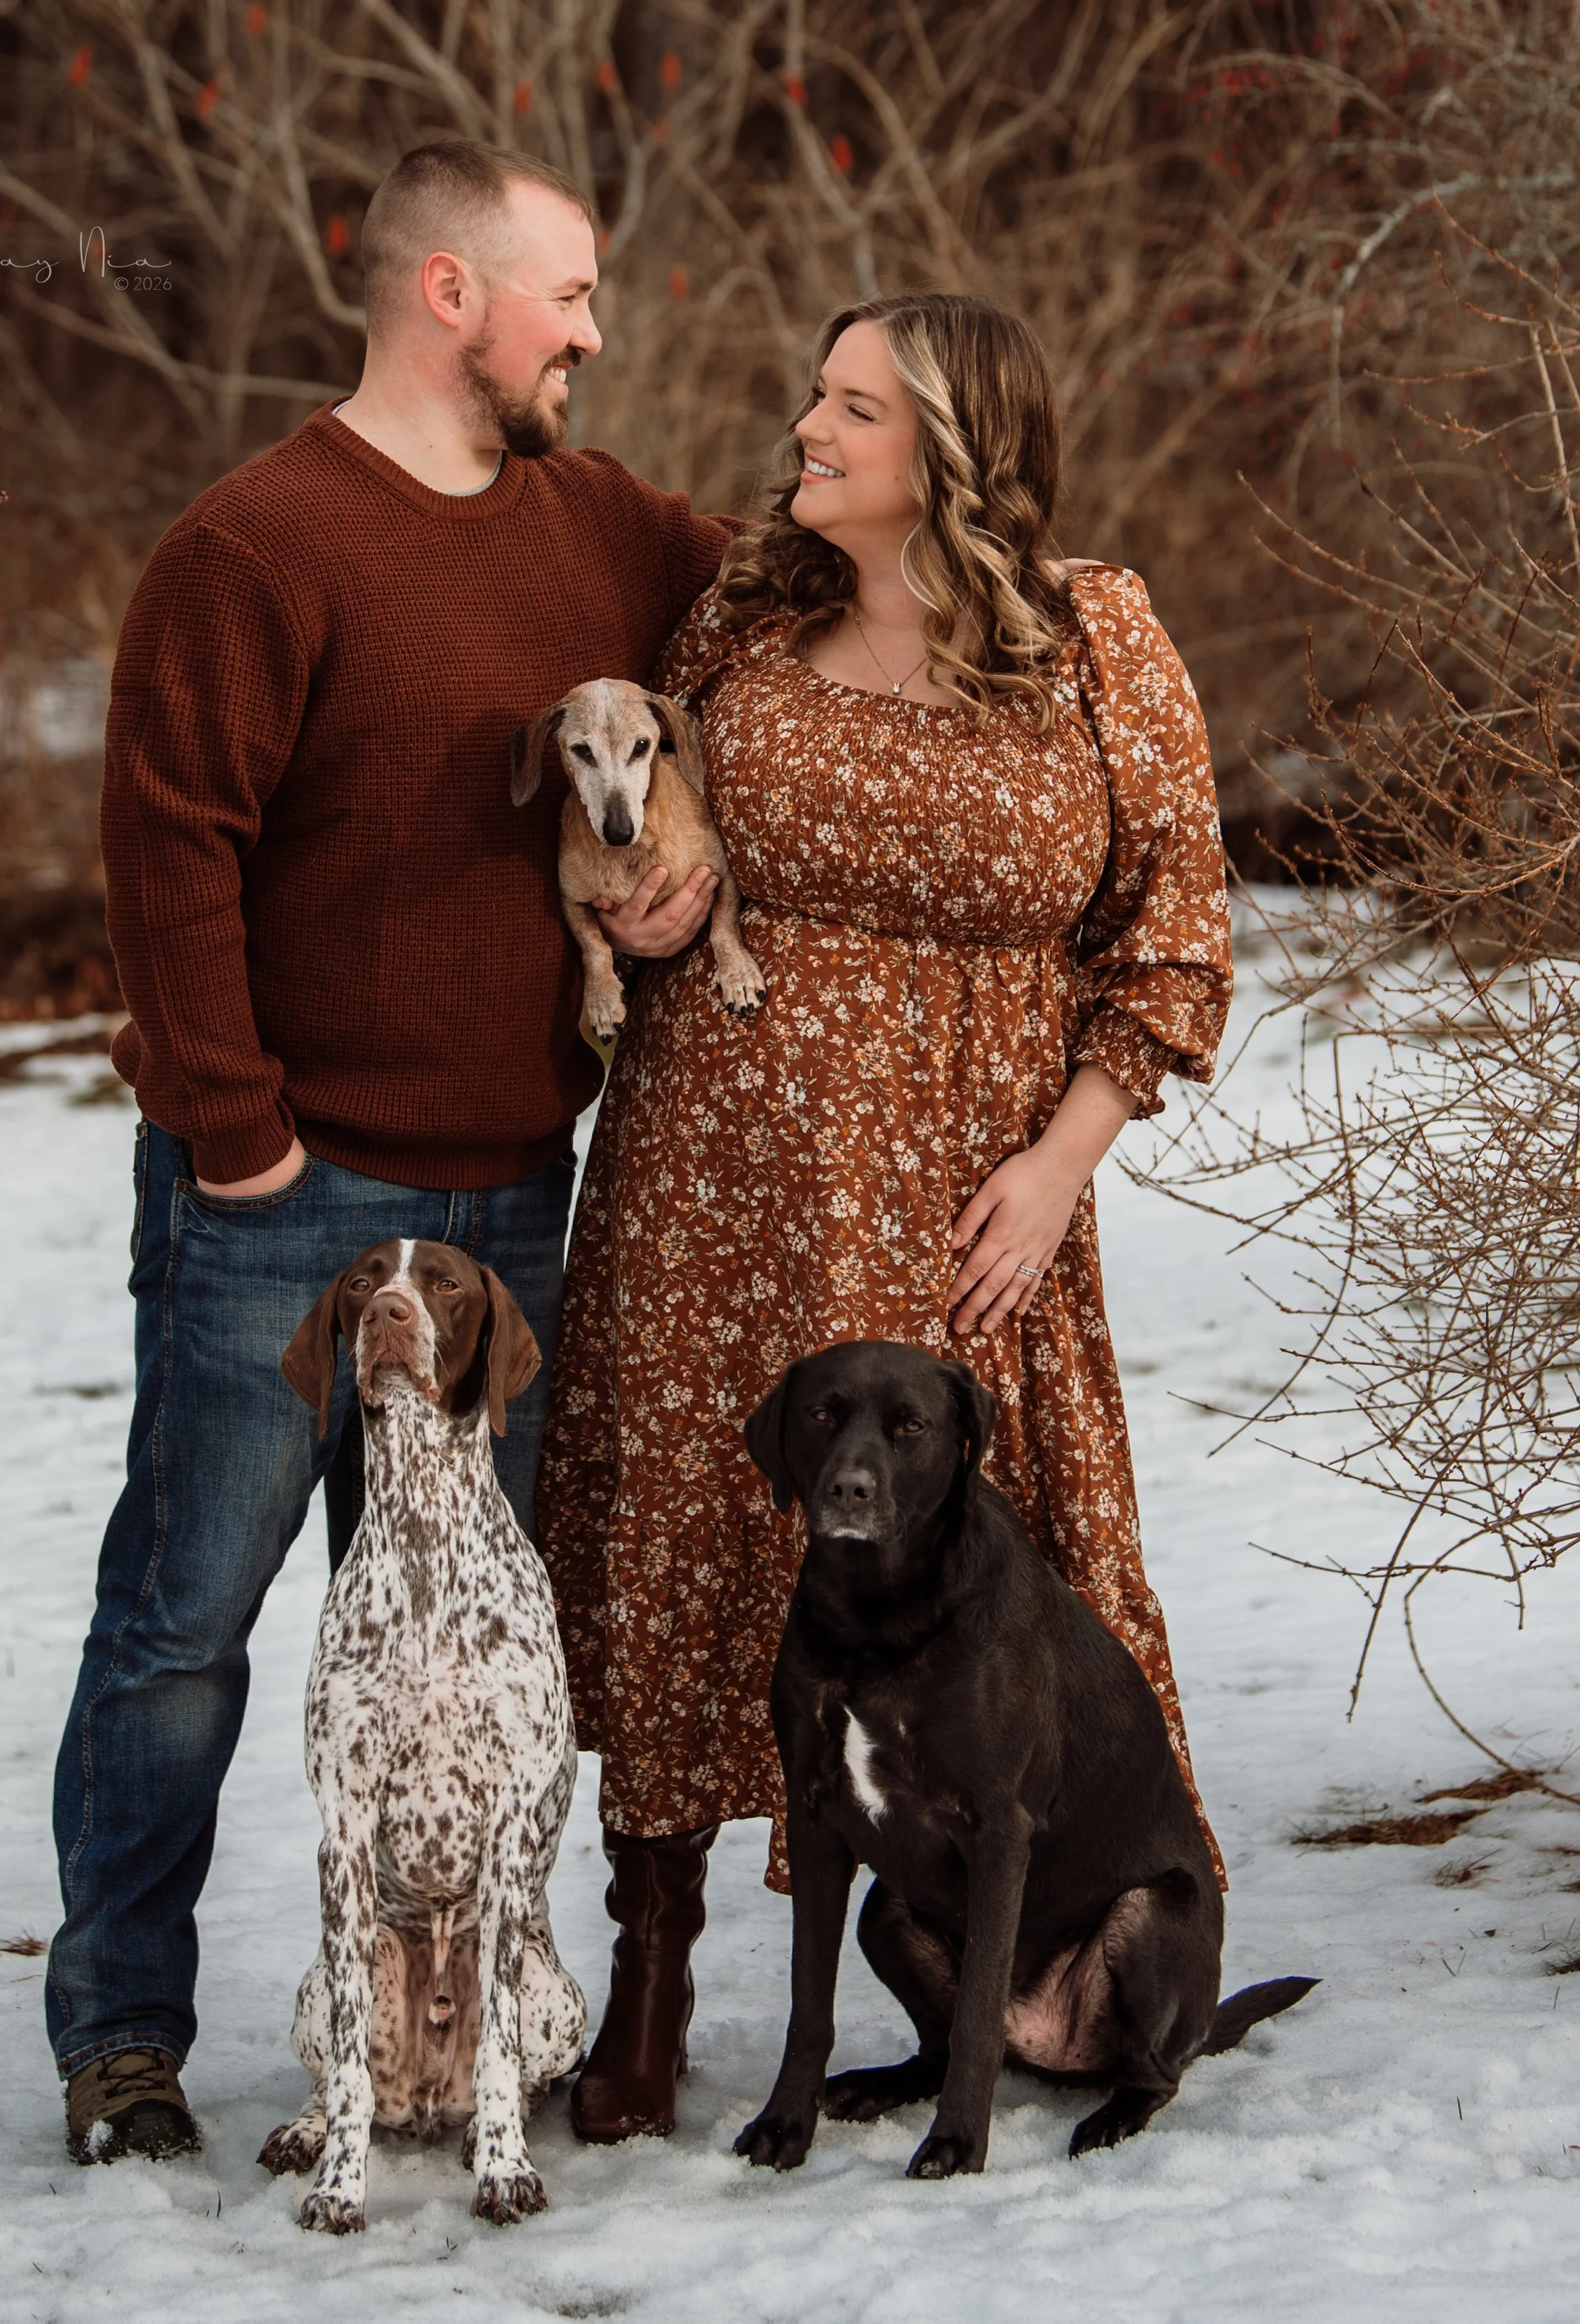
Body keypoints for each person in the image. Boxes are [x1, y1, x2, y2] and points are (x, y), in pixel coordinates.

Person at [48, 138, 728, 2165]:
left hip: (508, 1196)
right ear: (451, 292)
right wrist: (231, 1127)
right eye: (572, 298)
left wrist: (695, 872)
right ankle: (122, 2043)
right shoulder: (255, 545)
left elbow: (788, 613)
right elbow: (167, 841)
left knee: (447, 1663)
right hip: (288, 1203)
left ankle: (433, 2047)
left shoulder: (595, 528)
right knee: (184, 1628)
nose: (595, 335)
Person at [537, 292, 1235, 2144]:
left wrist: (1065, 1157)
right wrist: (658, 907)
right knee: (693, 1563)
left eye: (849, 405)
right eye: (814, 396)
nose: (805, 426)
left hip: (967, 1201)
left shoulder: (1098, 639)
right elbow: (647, 817)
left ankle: (1042, 1953)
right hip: (720, 1179)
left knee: (972, 1592)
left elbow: (1174, 938)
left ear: (948, 446)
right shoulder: (744, 622)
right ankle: (654, 1968)